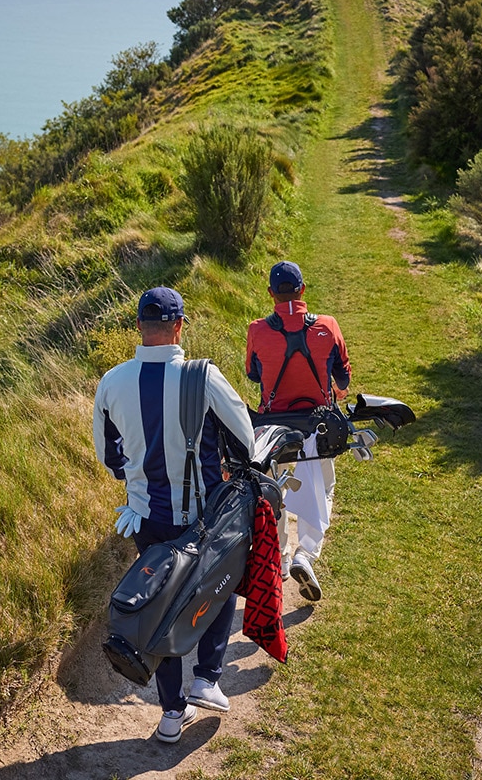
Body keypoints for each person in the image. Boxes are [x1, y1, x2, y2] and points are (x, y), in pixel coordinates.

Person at [93, 286, 259, 744]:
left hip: (145, 518)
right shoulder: (203, 377)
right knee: (219, 585)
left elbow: (110, 459)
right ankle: (207, 677)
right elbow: (245, 440)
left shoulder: (111, 382)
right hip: (202, 517)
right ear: (179, 326)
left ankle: (171, 714)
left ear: (140, 327)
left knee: (160, 603)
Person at [244, 260, 351, 602]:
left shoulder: (257, 330)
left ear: (271, 294)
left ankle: (280, 557)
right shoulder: (328, 326)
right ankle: (306, 554)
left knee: (273, 491)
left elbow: (253, 375)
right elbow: (343, 378)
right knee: (324, 487)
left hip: (272, 428)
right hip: (318, 428)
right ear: (303, 290)